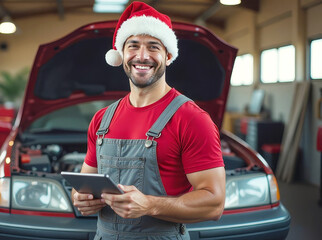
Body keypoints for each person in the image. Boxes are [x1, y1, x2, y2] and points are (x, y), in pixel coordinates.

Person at [71, 1, 226, 239]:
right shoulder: (101, 120)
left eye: (153, 47)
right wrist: (81, 198)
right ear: (121, 54)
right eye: (133, 46)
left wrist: (150, 205)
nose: (142, 56)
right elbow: (84, 184)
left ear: (168, 56)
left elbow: (214, 204)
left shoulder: (192, 119)